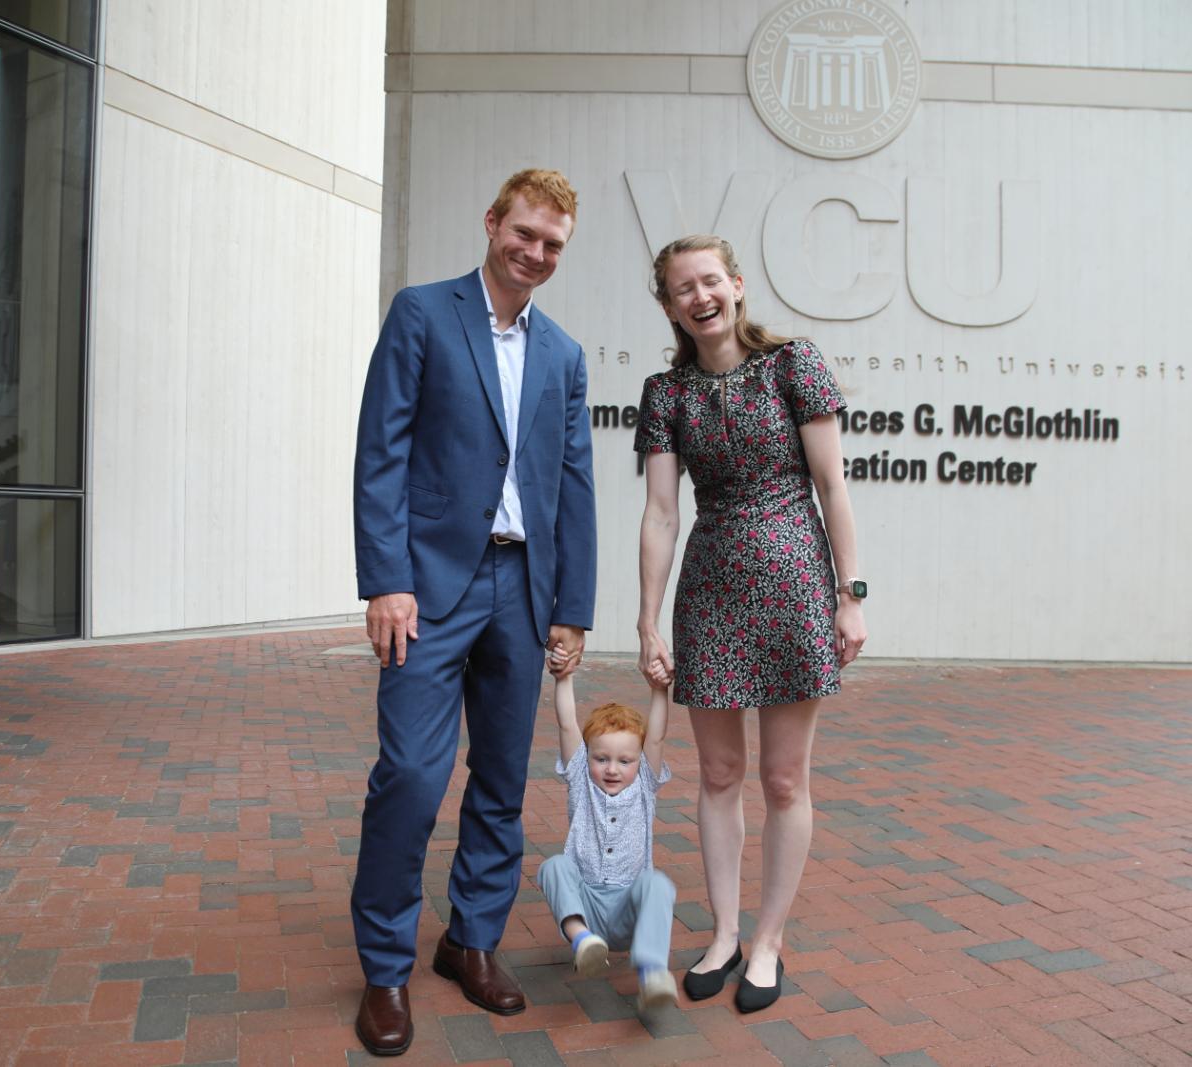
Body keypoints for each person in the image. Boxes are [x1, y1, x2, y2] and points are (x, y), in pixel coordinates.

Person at [350, 169, 597, 1056]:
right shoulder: (423, 313)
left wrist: (572, 607)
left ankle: (471, 940)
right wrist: (385, 578)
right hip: (427, 590)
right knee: (413, 775)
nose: (535, 252)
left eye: (553, 244)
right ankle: (385, 969)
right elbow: (381, 450)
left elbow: (574, 486)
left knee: (500, 782)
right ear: (492, 222)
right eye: (524, 232)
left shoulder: (565, 353)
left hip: (523, 593)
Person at [634, 234, 867, 1014]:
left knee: (782, 777)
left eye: (711, 281)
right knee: (721, 775)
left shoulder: (794, 364)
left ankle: (769, 939)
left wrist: (850, 592)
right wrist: (647, 618)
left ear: (736, 284)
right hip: (711, 590)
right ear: (668, 305)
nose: (700, 296)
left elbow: (833, 486)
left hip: (797, 582)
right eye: (682, 289)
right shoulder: (666, 395)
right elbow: (663, 513)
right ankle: (726, 933)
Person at [537, 652, 677, 1013]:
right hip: (585, 907)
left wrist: (660, 690)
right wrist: (563, 677)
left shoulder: (645, 783)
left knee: (658, 883)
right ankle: (582, 942)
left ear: (638, 762)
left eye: (624, 761)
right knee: (554, 866)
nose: (612, 769)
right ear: (588, 759)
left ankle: (652, 974)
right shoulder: (581, 782)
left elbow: (657, 738)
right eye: (602, 759)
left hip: (628, 910)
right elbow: (568, 725)